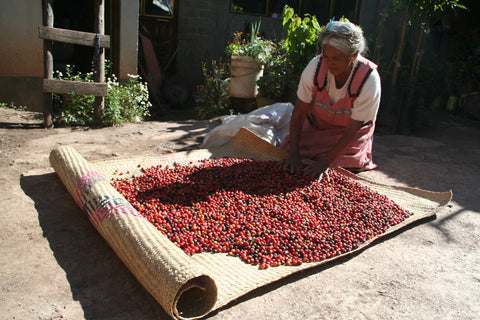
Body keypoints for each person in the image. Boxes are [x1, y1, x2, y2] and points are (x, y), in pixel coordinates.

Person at [281, 20, 381, 178]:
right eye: (326, 56)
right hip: (317, 128)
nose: (330, 63)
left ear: (354, 55)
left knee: (347, 164)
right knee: (288, 149)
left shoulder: (368, 79)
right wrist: (294, 153)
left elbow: (352, 130)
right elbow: (299, 112)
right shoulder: (315, 67)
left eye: (337, 58)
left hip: (349, 136)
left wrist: (325, 162)